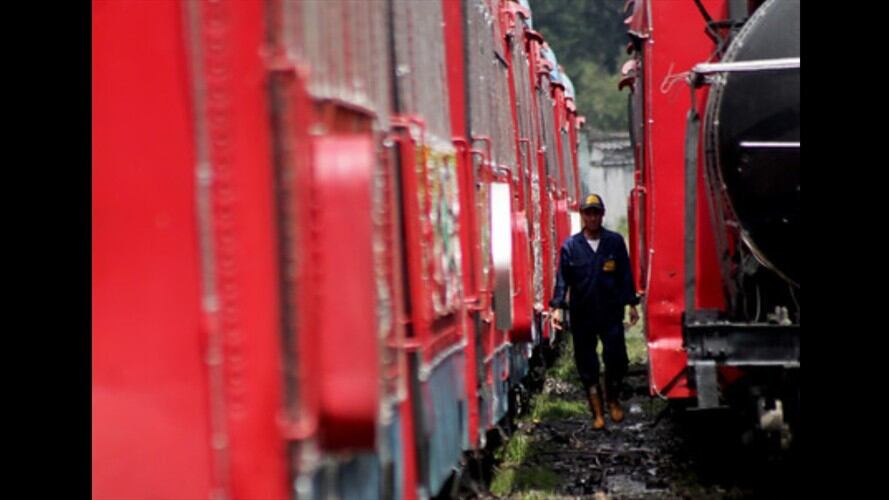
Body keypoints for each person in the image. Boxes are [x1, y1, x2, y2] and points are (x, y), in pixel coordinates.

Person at [549, 193, 640, 430]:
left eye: (596, 213)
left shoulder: (614, 242)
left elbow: (625, 275)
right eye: (588, 213)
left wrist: (632, 304)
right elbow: (562, 280)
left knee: (616, 358)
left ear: (602, 215)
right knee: (586, 363)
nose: (592, 218)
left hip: (610, 312)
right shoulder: (571, 247)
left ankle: (612, 399)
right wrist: (557, 307)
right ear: (582, 215)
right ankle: (597, 413)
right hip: (582, 314)